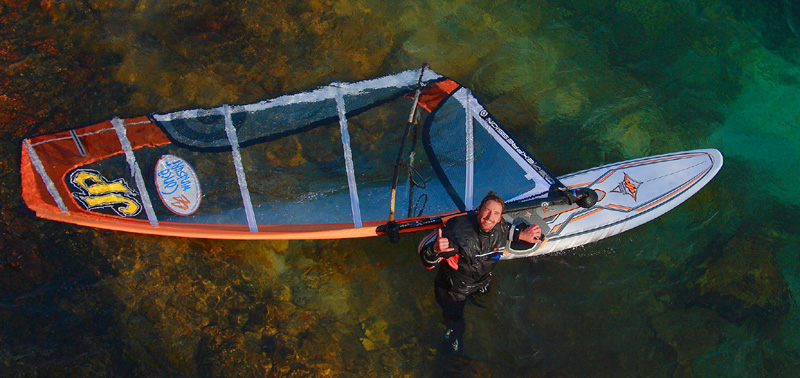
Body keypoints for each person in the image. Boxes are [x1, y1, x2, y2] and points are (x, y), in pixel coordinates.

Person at [418, 191, 541, 356]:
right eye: (487, 211)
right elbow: (427, 262)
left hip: (482, 282)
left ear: (500, 218)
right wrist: (435, 249)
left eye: (496, 214)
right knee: (456, 327)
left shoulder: (500, 227)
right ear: (479, 210)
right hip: (453, 290)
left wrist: (523, 235)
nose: (490, 217)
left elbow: (507, 231)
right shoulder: (458, 234)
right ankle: (450, 355)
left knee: (487, 307)